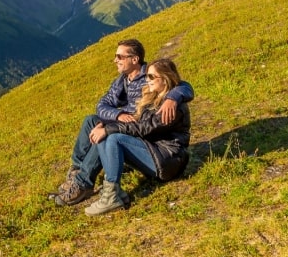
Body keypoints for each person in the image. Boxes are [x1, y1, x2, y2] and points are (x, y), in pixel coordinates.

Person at [50, 39, 193, 206]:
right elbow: (101, 105)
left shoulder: (152, 76)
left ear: (134, 59)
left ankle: (84, 184)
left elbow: (181, 84)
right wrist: (118, 115)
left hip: (145, 133)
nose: (115, 60)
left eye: (119, 56)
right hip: (134, 125)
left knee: (105, 133)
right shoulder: (124, 80)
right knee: (91, 121)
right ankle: (77, 173)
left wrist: (173, 97)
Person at [84, 58, 192, 216]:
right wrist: (104, 125)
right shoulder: (153, 96)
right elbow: (137, 119)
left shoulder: (172, 108)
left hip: (168, 161)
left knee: (114, 137)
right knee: (105, 134)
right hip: (153, 152)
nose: (147, 80)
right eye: (147, 76)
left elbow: (144, 128)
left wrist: (109, 130)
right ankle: (113, 192)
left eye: (151, 77)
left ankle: (111, 196)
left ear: (166, 78)